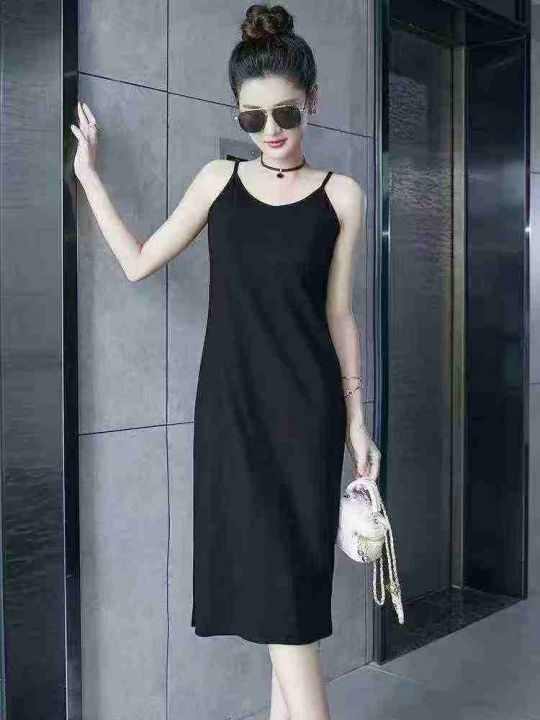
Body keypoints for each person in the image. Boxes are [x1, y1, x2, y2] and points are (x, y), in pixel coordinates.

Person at [70, 4, 380, 719]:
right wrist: (89, 176)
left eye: (286, 114)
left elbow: (339, 314)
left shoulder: (343, 195)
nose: (271, 131)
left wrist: (357, 421)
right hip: (233, 418)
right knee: (276, 607)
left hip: (307, 417)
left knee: (290, 605)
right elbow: (138, 262)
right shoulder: (218, 181)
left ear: (312, 102)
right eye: (252, 118)